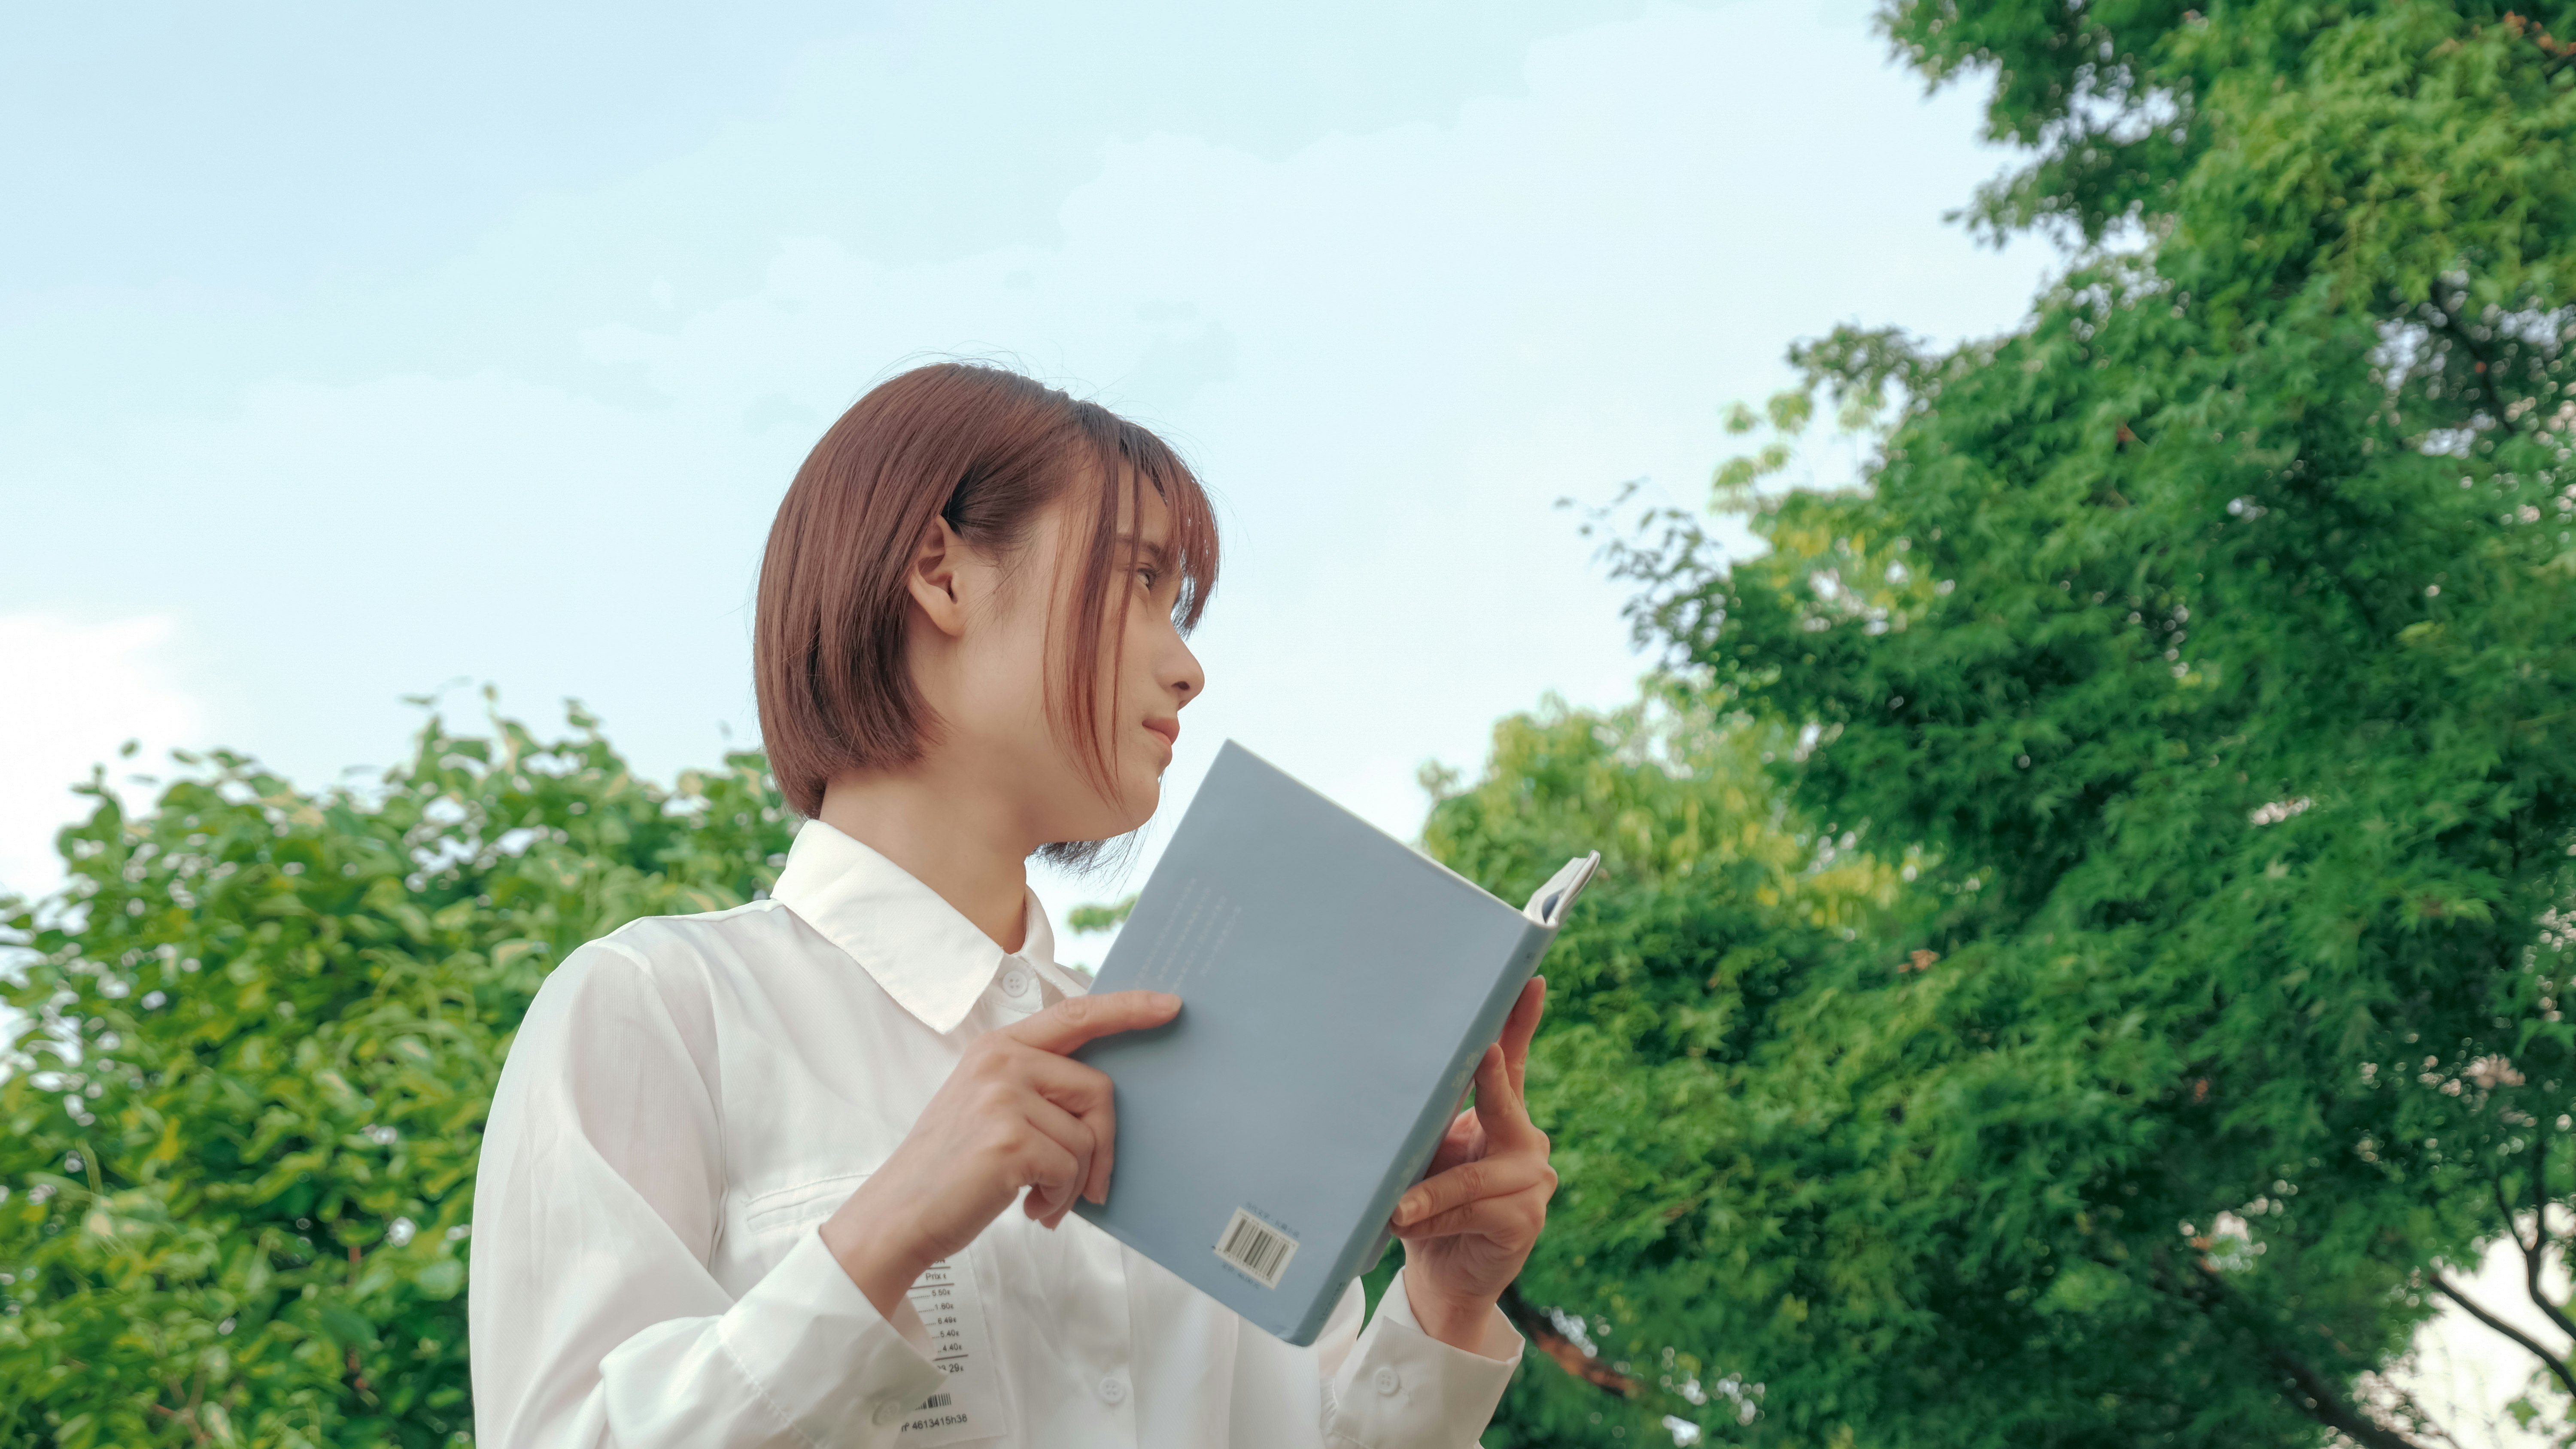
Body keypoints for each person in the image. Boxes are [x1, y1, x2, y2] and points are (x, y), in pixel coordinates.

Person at [468, 362, 1556, 1447]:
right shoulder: (660, 1009)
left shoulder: (1190, 1056)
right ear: (940, 573)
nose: (1188, 668)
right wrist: (888, 1228)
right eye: (1138, 581)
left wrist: (1446, 1307)